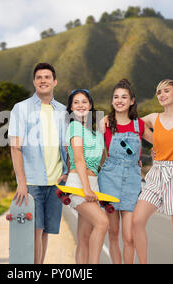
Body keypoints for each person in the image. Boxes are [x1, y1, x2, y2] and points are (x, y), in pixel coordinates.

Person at [8, 63, 69, 264]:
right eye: (39, 77)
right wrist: (21, 182)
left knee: (44, 232)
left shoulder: (62, 110)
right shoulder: (21, 108)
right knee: (35, 231)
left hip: (56, 183)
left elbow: (66, 146)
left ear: (54, 82)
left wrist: (66, 173)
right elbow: (15, 148)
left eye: (47, 77)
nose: (43, 80)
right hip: (33, 182)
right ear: (34, 82)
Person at [132, 79, 173, 264]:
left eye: (166, 91)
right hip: (157, 173)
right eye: (159, 92)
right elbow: (131, 125)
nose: (162, 95)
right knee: (137, 221)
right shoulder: (153, 118)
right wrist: (154, 143)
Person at [98, 79, 153, 264]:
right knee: (113, 233)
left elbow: (160, 144)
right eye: (116, 97)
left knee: (129, 237)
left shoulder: (139, 125)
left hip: (132, 182)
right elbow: (98, 153)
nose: (119, 100)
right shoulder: (104, 123)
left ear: (132, 101)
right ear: (112, 101)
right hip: (109, 180)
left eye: (124, 97)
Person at [65, 89, 108, 264]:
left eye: (84, 102)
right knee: (102, 223)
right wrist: (86, 188)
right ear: (71, 107)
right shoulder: (74, 127)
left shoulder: (95, 133)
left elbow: (103, 159)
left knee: (84, 237)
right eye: (76, 102)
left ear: (90, 106)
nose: (80, 105)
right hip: (80, 185)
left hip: (93, 183)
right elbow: (79, 160)